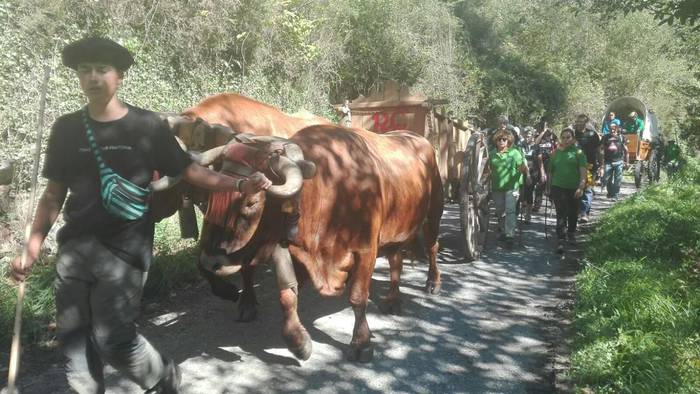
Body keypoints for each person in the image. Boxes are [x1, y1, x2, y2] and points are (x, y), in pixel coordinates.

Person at [8, 37, 272, 394]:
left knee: (113, 338)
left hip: (125, 251)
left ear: (119, 76)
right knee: (72, 339)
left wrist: (240, 187)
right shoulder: (66, 129)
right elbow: (54, 192)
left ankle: (162, 375)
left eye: (102, 69)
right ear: (78, 77)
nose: (93, 77)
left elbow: (189, 171)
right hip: (74, 250)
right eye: (85, 70)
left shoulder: (146, 127)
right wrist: (32, 245)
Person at [546, 127, 587, 253]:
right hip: (558, 186)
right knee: (561, 213)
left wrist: (581, 187)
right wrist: (548, 187)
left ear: (573, 139)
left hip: (574, 187)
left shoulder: (578, 153)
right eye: (563, 137)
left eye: (568, 137)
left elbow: (583, 172)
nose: (565, 140)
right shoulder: (555, 153)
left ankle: (571, 233)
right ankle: (561, 238)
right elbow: (550, 172)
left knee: (573, 212)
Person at [488, 129, 530, 246]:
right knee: (500, 211)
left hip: (512, 187)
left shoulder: (515, 153)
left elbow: (521, 167)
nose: (501, 141)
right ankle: (503, 229)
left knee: (510, 211)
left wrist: (523, 171)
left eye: (504, 139)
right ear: (496, 141)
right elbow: (487, 170)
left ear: (509, 141)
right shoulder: (492, 154)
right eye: (499, 139)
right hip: (497, 187)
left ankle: (509, 235)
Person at [572, 113, 600, 223]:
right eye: (577, 122)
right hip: (575, 166)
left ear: (586, 123)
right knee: (577, 188)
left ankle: (584, 213)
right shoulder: (573, 135)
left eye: (581, 122)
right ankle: (576, 211)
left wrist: (602, 165)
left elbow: (599, 151)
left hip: (590, 165)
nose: (578, 124)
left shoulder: (593, 135)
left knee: (588, 189)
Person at [600, 123, 628, 199]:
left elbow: (626, 150)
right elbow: (601, 150)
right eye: (611, 128)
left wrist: (626, 161)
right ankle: (610, 192)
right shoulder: (605, 137)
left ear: (617, 128)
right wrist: (601, 163)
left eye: (614, 128)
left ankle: (616, 194)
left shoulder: (622, 137)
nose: (612, 129)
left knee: (618, 179)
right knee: (607, 179)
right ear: (609, 128)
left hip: (619, 161)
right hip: (608, 162)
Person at [532, 127, 557, 212]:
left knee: (551, 184)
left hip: (550, 164)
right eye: (547, 133)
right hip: (539, 165)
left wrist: (553, 133)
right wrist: (542, 132)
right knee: (540, 184)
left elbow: (560, 145)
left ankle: (553, 201)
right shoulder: (540, 140)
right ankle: (537, 204)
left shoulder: (553, 140)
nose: (548, 134)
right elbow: (535, 143)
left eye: (549, 133)